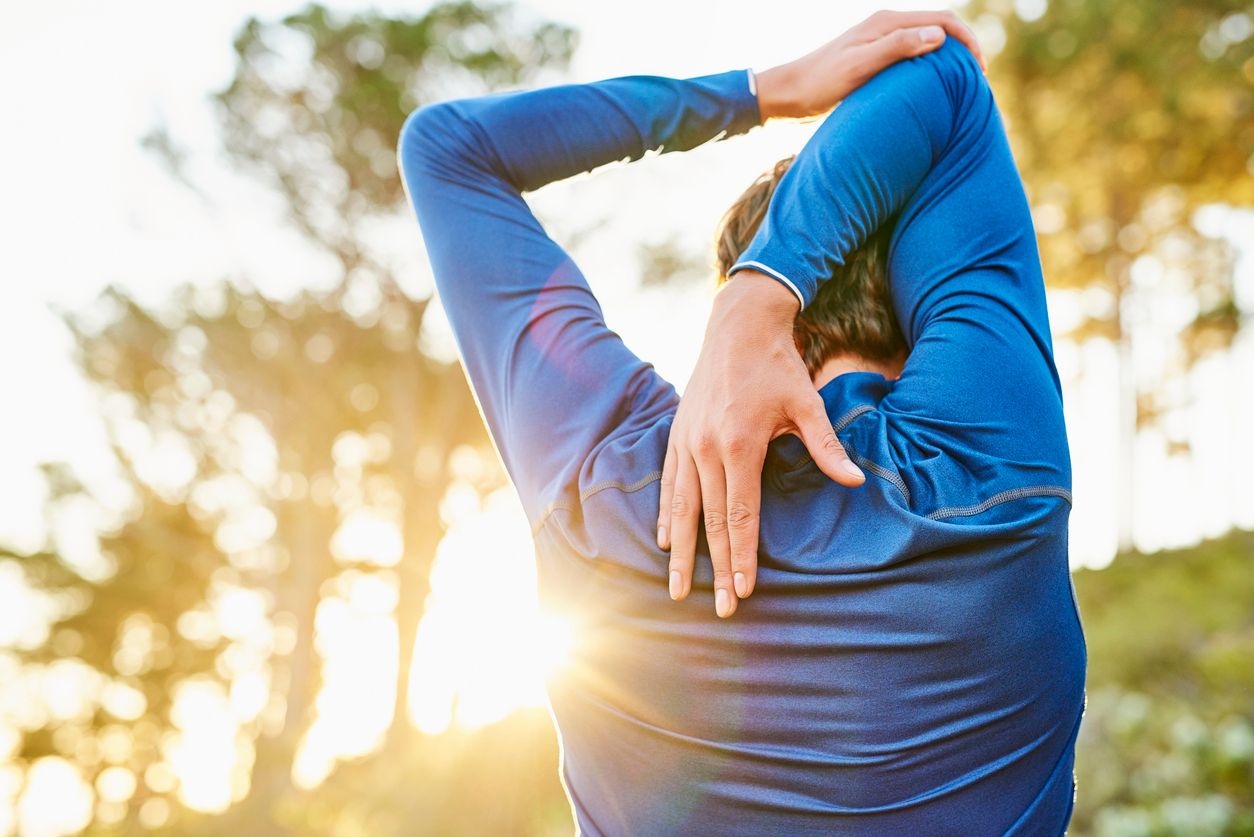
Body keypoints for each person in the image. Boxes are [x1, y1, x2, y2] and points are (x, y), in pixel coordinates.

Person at [398, 10, 1085, 835]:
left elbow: (449, 150)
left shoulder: (607, 486)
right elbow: (941, 78)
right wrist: (766, 287)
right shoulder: (988, 464)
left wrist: (764, 95)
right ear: (920, 285)